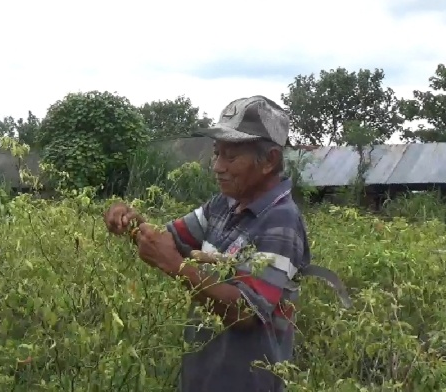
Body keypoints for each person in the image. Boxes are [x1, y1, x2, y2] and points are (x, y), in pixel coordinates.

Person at [103, 95, 350, 392]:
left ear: (269, 160)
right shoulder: (223, 204)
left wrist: (175, 266)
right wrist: (130, 222)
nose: (218, 167)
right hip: (203, 378)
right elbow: (166, 240)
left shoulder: (281, 222)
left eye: (231, 157)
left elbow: (246, 312)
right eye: (217, 153)